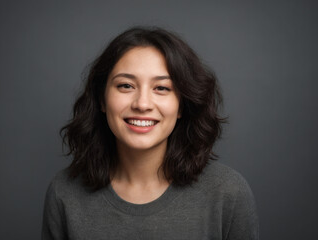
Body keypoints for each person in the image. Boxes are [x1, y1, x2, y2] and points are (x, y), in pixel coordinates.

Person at [42, 26, 259, 240]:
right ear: (102, 100)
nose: (142, 104)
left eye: (162, 88)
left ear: (182, 106)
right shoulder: (65, 192)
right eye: (126, 86)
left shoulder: (227, 192)